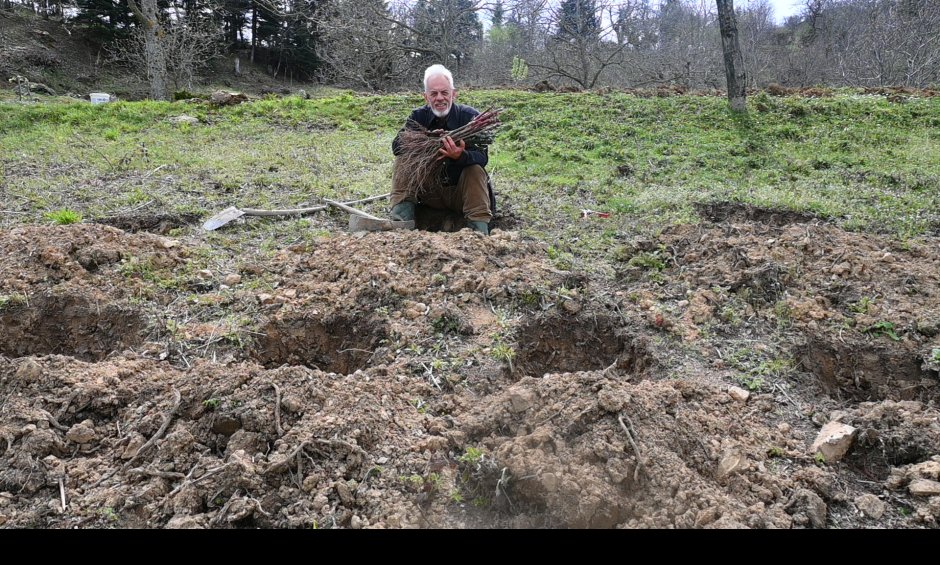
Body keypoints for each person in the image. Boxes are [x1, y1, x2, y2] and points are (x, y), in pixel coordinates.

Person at [390, 64, 493, 235]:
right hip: (430, 193)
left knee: (474, 169)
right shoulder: (418, 117)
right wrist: (427, 140)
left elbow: (483, 158)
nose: (439, 98)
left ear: (453, 94)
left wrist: (461, 156)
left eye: (444, 92)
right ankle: (401, 227)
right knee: (403, 161)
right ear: (426, 97)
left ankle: (479, 234)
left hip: (460, 195)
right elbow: (397, 147)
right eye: (434, 93)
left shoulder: (470, 118)